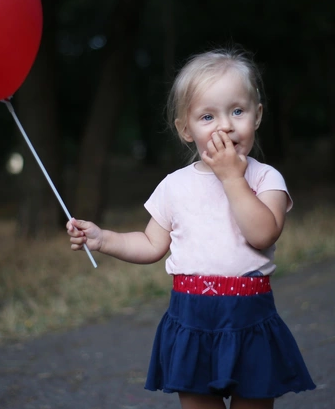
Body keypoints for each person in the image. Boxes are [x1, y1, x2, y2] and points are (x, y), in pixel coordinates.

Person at [66, 47, 316, 409]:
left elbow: (263, 234)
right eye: (207, 116)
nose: (225, 125)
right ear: (186, 129)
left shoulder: (265, 179)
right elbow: (151, 244)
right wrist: (103, 239)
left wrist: (232, 177)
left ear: (257, 116)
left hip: (248, 321)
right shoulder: (174, 186)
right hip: (191, 321)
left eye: (237, 111)